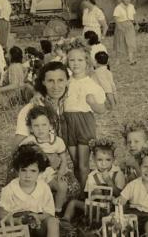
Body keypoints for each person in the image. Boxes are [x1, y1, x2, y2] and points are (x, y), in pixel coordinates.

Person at [62, 38, 107, 188]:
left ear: (87, 61)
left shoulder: (91, 83)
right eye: (72, 60)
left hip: (84, 122)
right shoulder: (65, 82)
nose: (76, 63)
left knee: (83, 165)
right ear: (67, 61)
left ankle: (87, 195)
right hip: (67, 122)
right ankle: (81, 192)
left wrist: (92, 103)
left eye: (80, 60)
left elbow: (102, 109)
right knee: (75, 164)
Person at [0, 144, 60, 237]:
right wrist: (17, 221)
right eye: (23, 170)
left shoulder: (44, 188)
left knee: (53, 222)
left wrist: (39, 217)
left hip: (38, 225)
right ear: (17, 171)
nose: (28, 175)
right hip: (17, 227)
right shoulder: (10, 189)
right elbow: (2, 215)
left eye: (33, 171)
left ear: (40, 172)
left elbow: (49, 213)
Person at [61, 138, 126, 223]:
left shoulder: (117, 173)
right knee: (73, 202)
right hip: (95, 206)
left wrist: (109, 182)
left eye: (108, 160)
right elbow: (88, 197)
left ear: (113, 159)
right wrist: (94, 193)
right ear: (94, 159)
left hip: (113, 207)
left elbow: (121, 195)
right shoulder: (92, 176)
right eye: (100, 160)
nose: (103, 163)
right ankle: (66, 220)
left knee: (120, 207)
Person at [19, 105, 69, 217]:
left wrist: (60, 172)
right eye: (36, 126)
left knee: (62, 186)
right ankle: (38, 212)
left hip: (51, 173)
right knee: (37, 191)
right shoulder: (30, 141)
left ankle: (56, 211)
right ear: (31, 128)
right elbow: (22, 155)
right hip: (36, 174)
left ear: (50, 125)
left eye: (44, 125)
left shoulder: (57, 141)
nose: (40, 129)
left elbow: (64, 160)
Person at [12, 61, 70, 153]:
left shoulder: (67, 102)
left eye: (60, 80)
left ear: (67, 81)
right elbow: (18, 141)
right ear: (43, 82)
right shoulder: (32, 108)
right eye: (50, 81)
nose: (56, 86)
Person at [113, 0, 137, 65]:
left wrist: (136, 24)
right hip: (121, 25)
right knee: (120, 42)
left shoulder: (131, 7)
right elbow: (115, 18)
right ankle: (117, 60)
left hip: (129, 25)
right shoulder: (118, 7)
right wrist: (119, 26)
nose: (128, 0)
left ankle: (130, 59)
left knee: (130, 42)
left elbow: (133, 17)